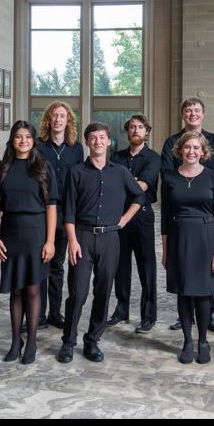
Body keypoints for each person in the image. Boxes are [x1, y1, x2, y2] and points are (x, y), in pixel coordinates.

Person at [56, 123, 144, 364]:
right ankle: (68, 341)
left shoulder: (120, 172)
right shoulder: (76, 172)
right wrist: (72, 241)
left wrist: (124, 219)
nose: (97, 142)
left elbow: (139, 195)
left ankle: (92, 340)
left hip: (110, 238)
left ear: (109, 142)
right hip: (82, 237)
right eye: (93, 138)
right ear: (87, 142)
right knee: (78, 293)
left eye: (102, 138)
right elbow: (69, 212)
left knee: (103, 292)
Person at [0, 121, 57, 364]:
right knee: (16, 290)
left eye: (27, 137)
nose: (23, 141)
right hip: (11, 233)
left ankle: (32, 341)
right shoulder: (3, 168)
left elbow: (51, 206)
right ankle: (15, 340)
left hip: (36, 233)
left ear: (33, 140)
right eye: (18, 137)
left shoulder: (43, 167)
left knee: (32, 288)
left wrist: (50, 241)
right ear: (12, 140)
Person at [161, 97, 214, 332]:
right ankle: (185, 317)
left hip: (205, 212)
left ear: (203, 114)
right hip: (180, 213)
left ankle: (208, 315)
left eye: (197, 110)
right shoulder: (171, 142)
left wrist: (205, 189)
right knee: (183, 274)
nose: (193, 114)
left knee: (206, 272)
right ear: (183, 115)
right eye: (188, 111)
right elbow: (168, 177)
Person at [107, 114, 161, 333]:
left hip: (142, 217)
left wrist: (124, 184)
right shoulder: (116, 157)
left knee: (146, 266)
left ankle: (149, 315)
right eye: (131, 127)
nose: (135, 130)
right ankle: (121, 310)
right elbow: (110, 185)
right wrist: (129, 183)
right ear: (127, 131)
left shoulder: (153, 158)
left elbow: (142, 187)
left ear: (146, 132)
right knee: (120, 266)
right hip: (118, 217)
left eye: (140, 127)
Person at [35, 101, 85, 329]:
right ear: (48, 119)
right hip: (42, 211)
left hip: (66, 212)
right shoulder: (38, 146)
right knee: (41, 262)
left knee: (57, 264)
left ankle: (54, 312)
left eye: (62, 116)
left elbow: (80, 180)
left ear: (68, 120)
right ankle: (38, 314)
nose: (58, 120)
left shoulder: (76, 148)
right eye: (54, 115)